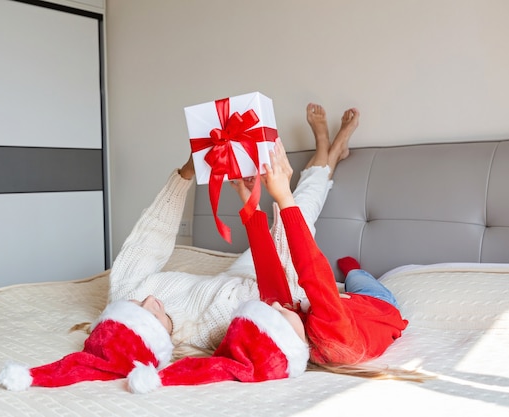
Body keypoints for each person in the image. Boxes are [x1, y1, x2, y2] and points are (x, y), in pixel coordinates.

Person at [126, 140, 409, 394]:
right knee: (358, 277)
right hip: (377, 303)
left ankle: (330, 156)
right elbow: (312, 269)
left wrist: (250, 202)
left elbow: (268, 268)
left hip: (340, 304)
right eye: (275, 313)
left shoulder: (283, 322)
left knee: (336, 283)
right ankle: (353, 268)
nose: (273, 306)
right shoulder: (335, 339)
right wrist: (284, 198)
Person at [108, 103, 359, 355]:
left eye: (137, 303)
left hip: (234, 275)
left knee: (296, 210)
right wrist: (279, 201)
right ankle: (330, 148)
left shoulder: (122, 301)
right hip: (267, 281)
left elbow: (152, 234)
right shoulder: (215, 332)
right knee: (300, 211)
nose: (149, 300)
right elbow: (286, 294)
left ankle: (330, 153)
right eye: (151, 313)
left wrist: (186, 172)